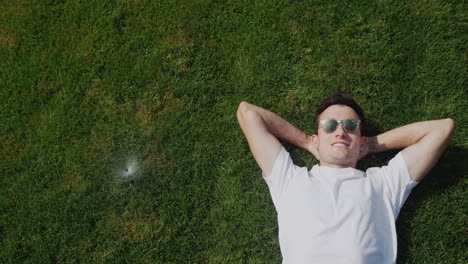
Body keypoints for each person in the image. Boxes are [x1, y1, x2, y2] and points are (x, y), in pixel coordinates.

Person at [236, 92, 454, 264]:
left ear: (361, 140)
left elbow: (442, 129)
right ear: (316, 139)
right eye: (329, 126)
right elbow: (247, 112)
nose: (340, 132)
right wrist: (306, 142)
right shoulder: (290, 178)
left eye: (351, 126)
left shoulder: (383, 183)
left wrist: (369, 145)